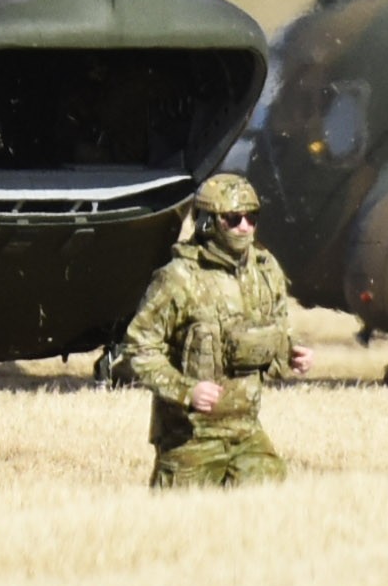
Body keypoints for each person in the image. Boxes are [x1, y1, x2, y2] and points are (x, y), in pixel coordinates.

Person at [117, 173, 311, 489]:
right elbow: (139, 348)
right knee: (182, 527)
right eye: (233, 219)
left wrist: (292, 351)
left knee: (271, 507)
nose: (245, 227)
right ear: (208, 222)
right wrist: (186, 390)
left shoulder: (265, 271)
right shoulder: (178, 279)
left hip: (245, 430)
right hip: (189, 438)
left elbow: (278, 325)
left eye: (252, 217)